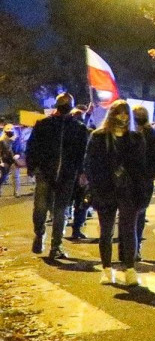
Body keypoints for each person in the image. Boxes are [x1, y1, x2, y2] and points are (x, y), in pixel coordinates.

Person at [84, 100, 150, 286]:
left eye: (126, 113)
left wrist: (142, 191)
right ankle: (107, 269)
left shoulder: (135, 138)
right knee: (106, 231)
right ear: (111, 114)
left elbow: (140, 167)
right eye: (119, 113)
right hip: (105, 189)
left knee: (129, 231)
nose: (123, 117)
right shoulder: (99, 137)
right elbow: (90, 165)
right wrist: (96, 187)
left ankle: (130, 269)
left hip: (129, 191)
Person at [26, 93, 90, 260]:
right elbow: (32, 147)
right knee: (40, 209)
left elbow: (83, 153)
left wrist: (81, 172)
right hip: (45, 173)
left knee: (60, 211)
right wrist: (33, 167)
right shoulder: (43, 124)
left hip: (67, 175)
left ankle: (56, 245)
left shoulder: (78, 128)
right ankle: (39, 234)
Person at [132, 105, 155, 258]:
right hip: (139, 180)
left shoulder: (150, 134)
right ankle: (133, 248)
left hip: (140, 179)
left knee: (134, 214)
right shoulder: (151, 134)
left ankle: (132, 248)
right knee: (137, 214)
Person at [68, 108, 91, 241]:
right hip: (78, 173)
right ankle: (76, 229)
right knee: (80, 204)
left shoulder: (67, 132)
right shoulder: (83, 132)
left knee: (76, 203)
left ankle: (73, 230)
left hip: (72, 173)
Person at [0, 125, 17, 195]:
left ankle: (16, 192)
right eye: (8, 130)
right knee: (4, 175)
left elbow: (15, 148)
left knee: (13, 175)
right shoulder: (2, 140)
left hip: (12, 159)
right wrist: (0, 161)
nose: (10, 132)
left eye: (11, 130)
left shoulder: (14, 138)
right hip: (4, 160)